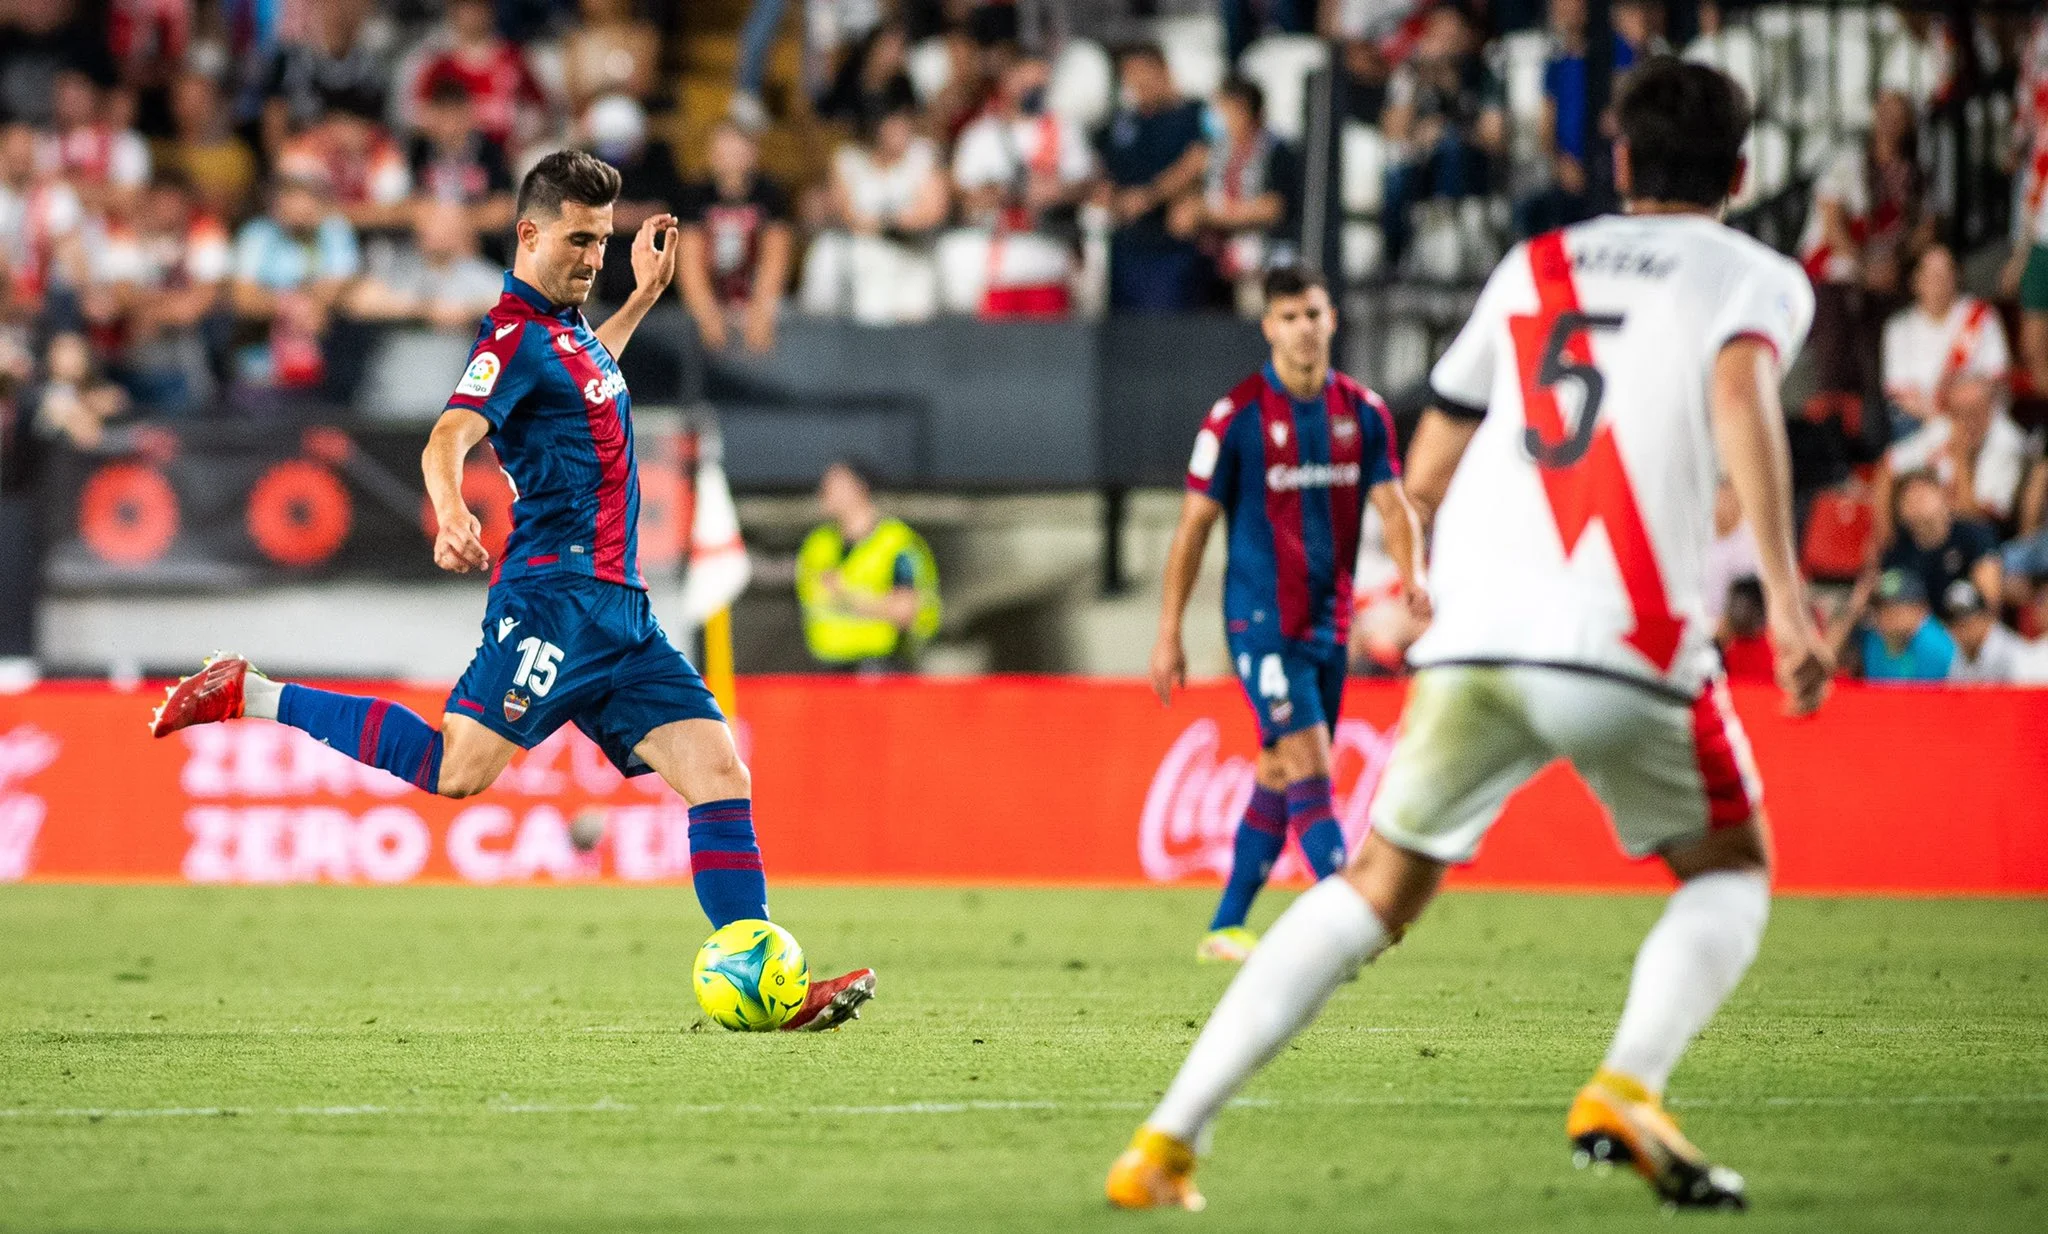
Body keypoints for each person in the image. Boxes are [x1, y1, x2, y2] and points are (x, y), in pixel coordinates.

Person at [1107, 58, 1829, 1212]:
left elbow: (1426, 466)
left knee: (1370, 891)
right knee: (1729, 870)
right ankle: (1625, 1085)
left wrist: (1404, 584)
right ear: (1738, 173)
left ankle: (1163, 1141)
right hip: (1625, 634)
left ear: (1619, 161)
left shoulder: (1535, 263)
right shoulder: (1754, 277)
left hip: (1477, 626)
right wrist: (1786, 602)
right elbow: (1739, 398)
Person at [149, 150, 875, 1032]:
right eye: (579, 240)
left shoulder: (569, 333)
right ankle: (252, 693)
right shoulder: (510, 337)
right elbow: (448, 436)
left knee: (720, 772)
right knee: (455, 771)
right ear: (529, 234)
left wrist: (642, 299)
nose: (593, 258)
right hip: (554, 602)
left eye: (601, 242)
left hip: (622, 613)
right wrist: (452, 508)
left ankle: (771, 991)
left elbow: (590, 384)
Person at [1149, 264, 1426, 965]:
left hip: (1329, 624)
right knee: (1309, 758)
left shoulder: (1363, 412)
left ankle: (1226, 925)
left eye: (1314, 314)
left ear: (1332, 319)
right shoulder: (1236, 417)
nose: (1304, 328)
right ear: (1268, 326)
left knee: (1279, 770)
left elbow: (1395, 507)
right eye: (1290, 317)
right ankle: (1350, 916)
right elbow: (1192, 528)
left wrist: (1413, 579)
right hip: (1261, 623)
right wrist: (1169, 632)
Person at [1880, 244, 2031, 523]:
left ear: (1956, 277)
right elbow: (1901, 396)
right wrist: (1946, 420)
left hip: (1981, 421)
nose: (1939, 281)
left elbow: (1996, 382)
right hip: (1926, 422)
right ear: (1916, 281)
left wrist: (1962, 418)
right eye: (1931, 274)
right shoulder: (1898, 328)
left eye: (1946, 272)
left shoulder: (1980, 316)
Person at [943, 54, 1093, 318]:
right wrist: (1005, 193)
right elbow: (962, 192)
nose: (1031, 91)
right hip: (997, 267)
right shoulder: (981, 135)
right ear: (1007, 82)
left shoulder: (1064, 129)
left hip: (1049, 263)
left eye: (1039, 84)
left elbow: (1085, 181)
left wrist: (1057, 191)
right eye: (1025, 83)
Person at [1377, 2, 1505, 272]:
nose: (1446, 41)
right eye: (1439, 32)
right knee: (1396, 177)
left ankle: (1451, 244)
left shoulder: (1482, 74)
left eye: (1453, 33)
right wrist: (1420, 83)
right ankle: (1391, 261)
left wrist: (1451, 126)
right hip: (1422, 164)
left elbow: (1493, 136)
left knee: (1451, 146)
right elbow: (1392, 131)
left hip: (1471, 164)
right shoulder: (1411, 73)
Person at [802, 103, 948, 324]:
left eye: (905, 124)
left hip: (913, 254)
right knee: (871, 313)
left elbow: (932, 212)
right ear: (877, 128)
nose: (902, 132)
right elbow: (847, 214)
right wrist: (894, 221)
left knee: (915, 321)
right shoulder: (849, 159)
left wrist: (884, 221)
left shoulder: (923, 155)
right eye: (894, 126)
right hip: (865, 256)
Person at [1169, 77, 1301, 314]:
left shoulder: (1276, 150)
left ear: (1242, 108)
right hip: (1216, 268)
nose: (1217, 116)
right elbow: (1185, 208)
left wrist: (1211, 215)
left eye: (1222, 108)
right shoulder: (1214, 151)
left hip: (1260, 267)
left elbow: (1272, 208)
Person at [1094, 43, 1210, 313]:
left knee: (1167, 327)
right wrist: (1109, 196)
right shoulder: (1122, 122)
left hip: (1172, 246)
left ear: (1163, 70)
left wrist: (1150, 196)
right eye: (1128, 75)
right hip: (1127, 245)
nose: (1136, 82)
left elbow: (1199, 160)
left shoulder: (1194, 114)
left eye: (1141, 72)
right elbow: (1104, 170)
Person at [795, 459, 942, 671]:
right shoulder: (818, 543)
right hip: (828, 667)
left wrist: (847, 596)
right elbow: (810, 595)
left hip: (882, 665)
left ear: (860, 488)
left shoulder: (896, 543)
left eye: (836, 485)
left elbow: (905, 609)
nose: (825, 492)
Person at [678, 122, 794, 355]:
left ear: (752, 154)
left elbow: (776, 257)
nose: (730, 160)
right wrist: (706, 314)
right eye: (724, 152)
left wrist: (761, 310)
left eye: (737, 152)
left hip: (759, 297)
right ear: (711, 155)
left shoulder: (770, 195)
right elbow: (688, 262)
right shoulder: (695, 196)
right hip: (710, 298)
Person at [1882, 468, 2001, 612]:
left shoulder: (1974, 534)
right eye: (1907, 498)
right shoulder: (1896, 553)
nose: (1916, 503)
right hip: (1922, 624)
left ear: (1944, 496)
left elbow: (1990, 602)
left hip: (1969, 619)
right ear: (1899, 511)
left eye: (1922, 494)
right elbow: (1890, 609)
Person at [1828, 567, 1954, 682]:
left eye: (1896, 608)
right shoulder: (1873, 636)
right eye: (1881, 608)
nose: (1886, 616)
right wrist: (1853, 608)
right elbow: (1827, 658)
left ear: (1920, 609)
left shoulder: (1936, 646)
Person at [1941, 578, 2048, 684]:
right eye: (1955, 625)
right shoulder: (1960, 653)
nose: (1962, 632)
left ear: (1986, 618)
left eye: (1966, 624)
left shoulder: (2010, 652)